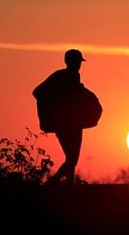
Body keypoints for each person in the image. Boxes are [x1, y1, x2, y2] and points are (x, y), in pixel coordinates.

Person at [33, 49, 92, 185]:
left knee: (72, 159)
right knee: (71, 159)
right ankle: (51, 184)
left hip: (75, 122)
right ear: (67, 62)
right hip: (63, 124)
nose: (78, 65)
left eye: (79, 62)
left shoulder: (75, 76)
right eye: (75, 62)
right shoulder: (60, 76)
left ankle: (68, 187)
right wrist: (53, 109)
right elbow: (37, 92)